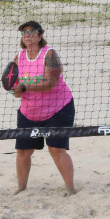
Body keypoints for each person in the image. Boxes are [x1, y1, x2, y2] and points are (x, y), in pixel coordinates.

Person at [11, 21, 76, 195]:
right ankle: (21, 188)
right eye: (24, 33)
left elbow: (50, 83)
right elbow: (13, 82)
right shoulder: (19, 57)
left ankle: (71, 189)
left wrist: (24, 88)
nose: (28, 36)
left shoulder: (49, 54)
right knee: (23, 151)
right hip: (29, 111)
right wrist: (15, 91)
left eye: (32, 33)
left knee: (56, 149)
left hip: (58, 109)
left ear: (40, 36)